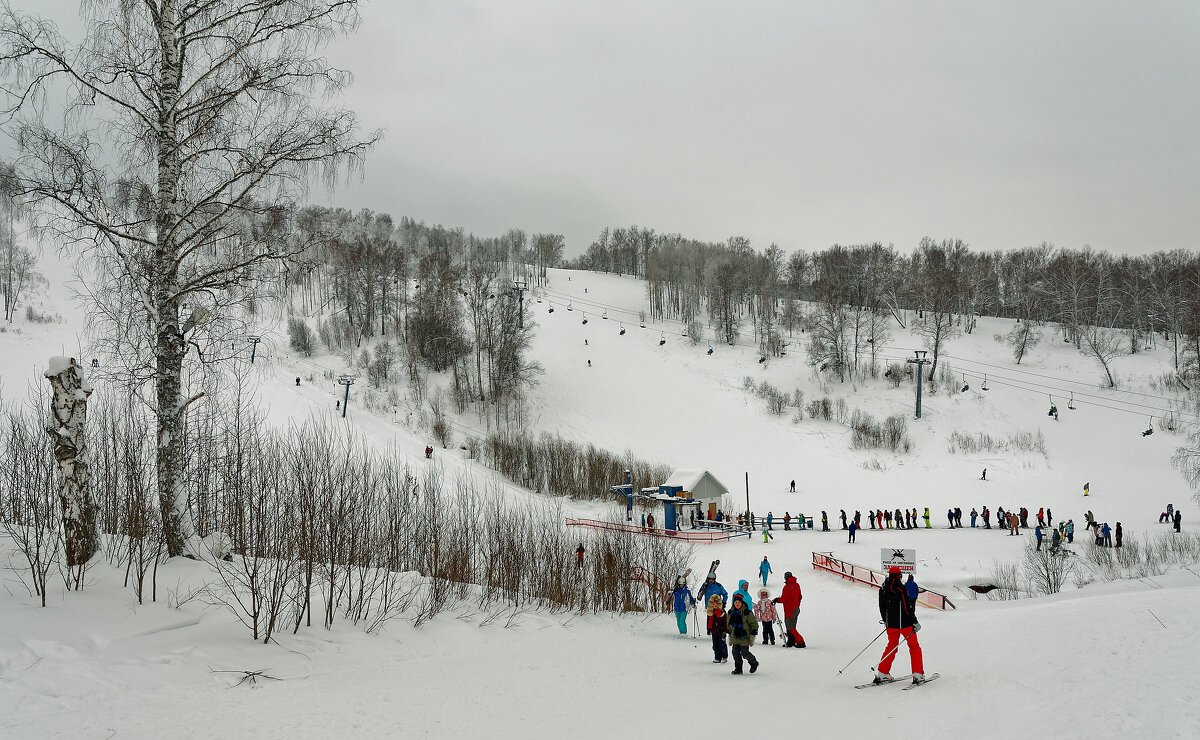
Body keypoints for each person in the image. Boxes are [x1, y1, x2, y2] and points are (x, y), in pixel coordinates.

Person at [875, 566, 925, 685]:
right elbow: (907, 608)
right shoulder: (901, 588)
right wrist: (914, 621)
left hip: (891, 625)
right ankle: (918, 674)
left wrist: (886, 621)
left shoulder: (883, 588)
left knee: (891, 646)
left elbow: (881, 607)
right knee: (914, 647)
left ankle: (882, 673)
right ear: (899, 575)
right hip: (905, 624)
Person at [727, 594, 759, 674]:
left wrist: (754, 631)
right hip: (734, 636)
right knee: (735, 653)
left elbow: (754, 623)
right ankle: (738, 668)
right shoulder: (731, 612)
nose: (737, 604)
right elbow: (728, 623)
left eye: (739, 602)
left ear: (742, 602)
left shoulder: (747, 612)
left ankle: (754, 663)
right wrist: (728, 631)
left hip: (744, 636)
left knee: (744, 653)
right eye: (735, 602)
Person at [772, 571, 805, 648]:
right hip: (796, 609)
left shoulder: (787, 587)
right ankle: (791, 641)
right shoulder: (797, 585)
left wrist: (777, 599)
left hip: (789, 610)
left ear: (785, 578)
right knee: (792, 626)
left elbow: (783, 599)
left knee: (790, 627)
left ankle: (800, 641)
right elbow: (800, 597)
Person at [708, 594, 728, 664]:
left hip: (721, 631)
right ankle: (717, 657)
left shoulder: (722, 612)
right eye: (713, 604)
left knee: (722, 644)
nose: (715, 605)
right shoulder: (710, 612)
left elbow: (725, 622)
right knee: (715, 645)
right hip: (714, 631)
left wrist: (725, 631)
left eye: (716, 604)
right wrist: (708, 629)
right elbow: (709, 621)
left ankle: (724, 656)